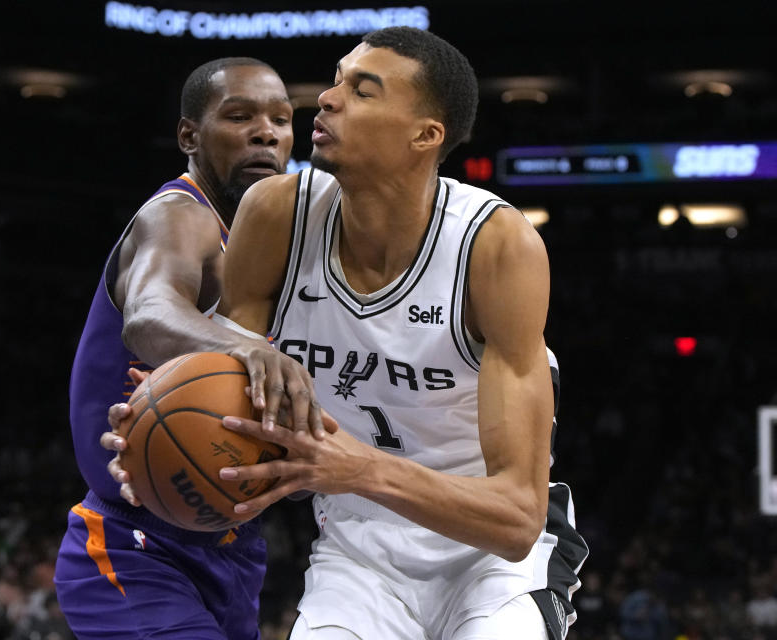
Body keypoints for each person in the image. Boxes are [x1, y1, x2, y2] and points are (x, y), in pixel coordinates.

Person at [106, 27, 589, 640]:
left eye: (362, 91)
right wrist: (159, 426)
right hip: (357, 551)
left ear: (425, 135)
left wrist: (356, 467)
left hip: (492, 561)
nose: (327, 100)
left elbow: (517, 518)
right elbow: (229, 388)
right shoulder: (276, 212)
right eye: (335, 81)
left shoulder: (495, 246)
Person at [53, 57, 310, 639]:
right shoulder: (179, 214)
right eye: (239, 116)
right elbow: (149, 314)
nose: (266, 131)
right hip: (131, 544)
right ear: (189, 136)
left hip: (233, 547)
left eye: (281, 118)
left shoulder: (273, 248)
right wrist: (254, 351)